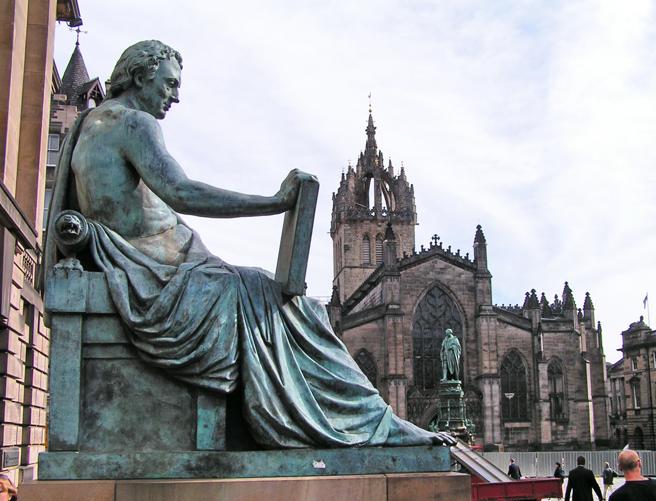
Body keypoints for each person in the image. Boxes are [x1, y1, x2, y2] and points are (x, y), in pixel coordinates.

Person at [43, 40, 455, 449]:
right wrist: (275, 203)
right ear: (139, 76)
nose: (176, 95)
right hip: (161, 273)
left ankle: (370, 420)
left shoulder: (89, 124)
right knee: (294, 310)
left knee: (289, 304)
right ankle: (374, 425)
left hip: (160, 265)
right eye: (169, 84)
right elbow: (182, 192)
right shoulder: (133, 123)